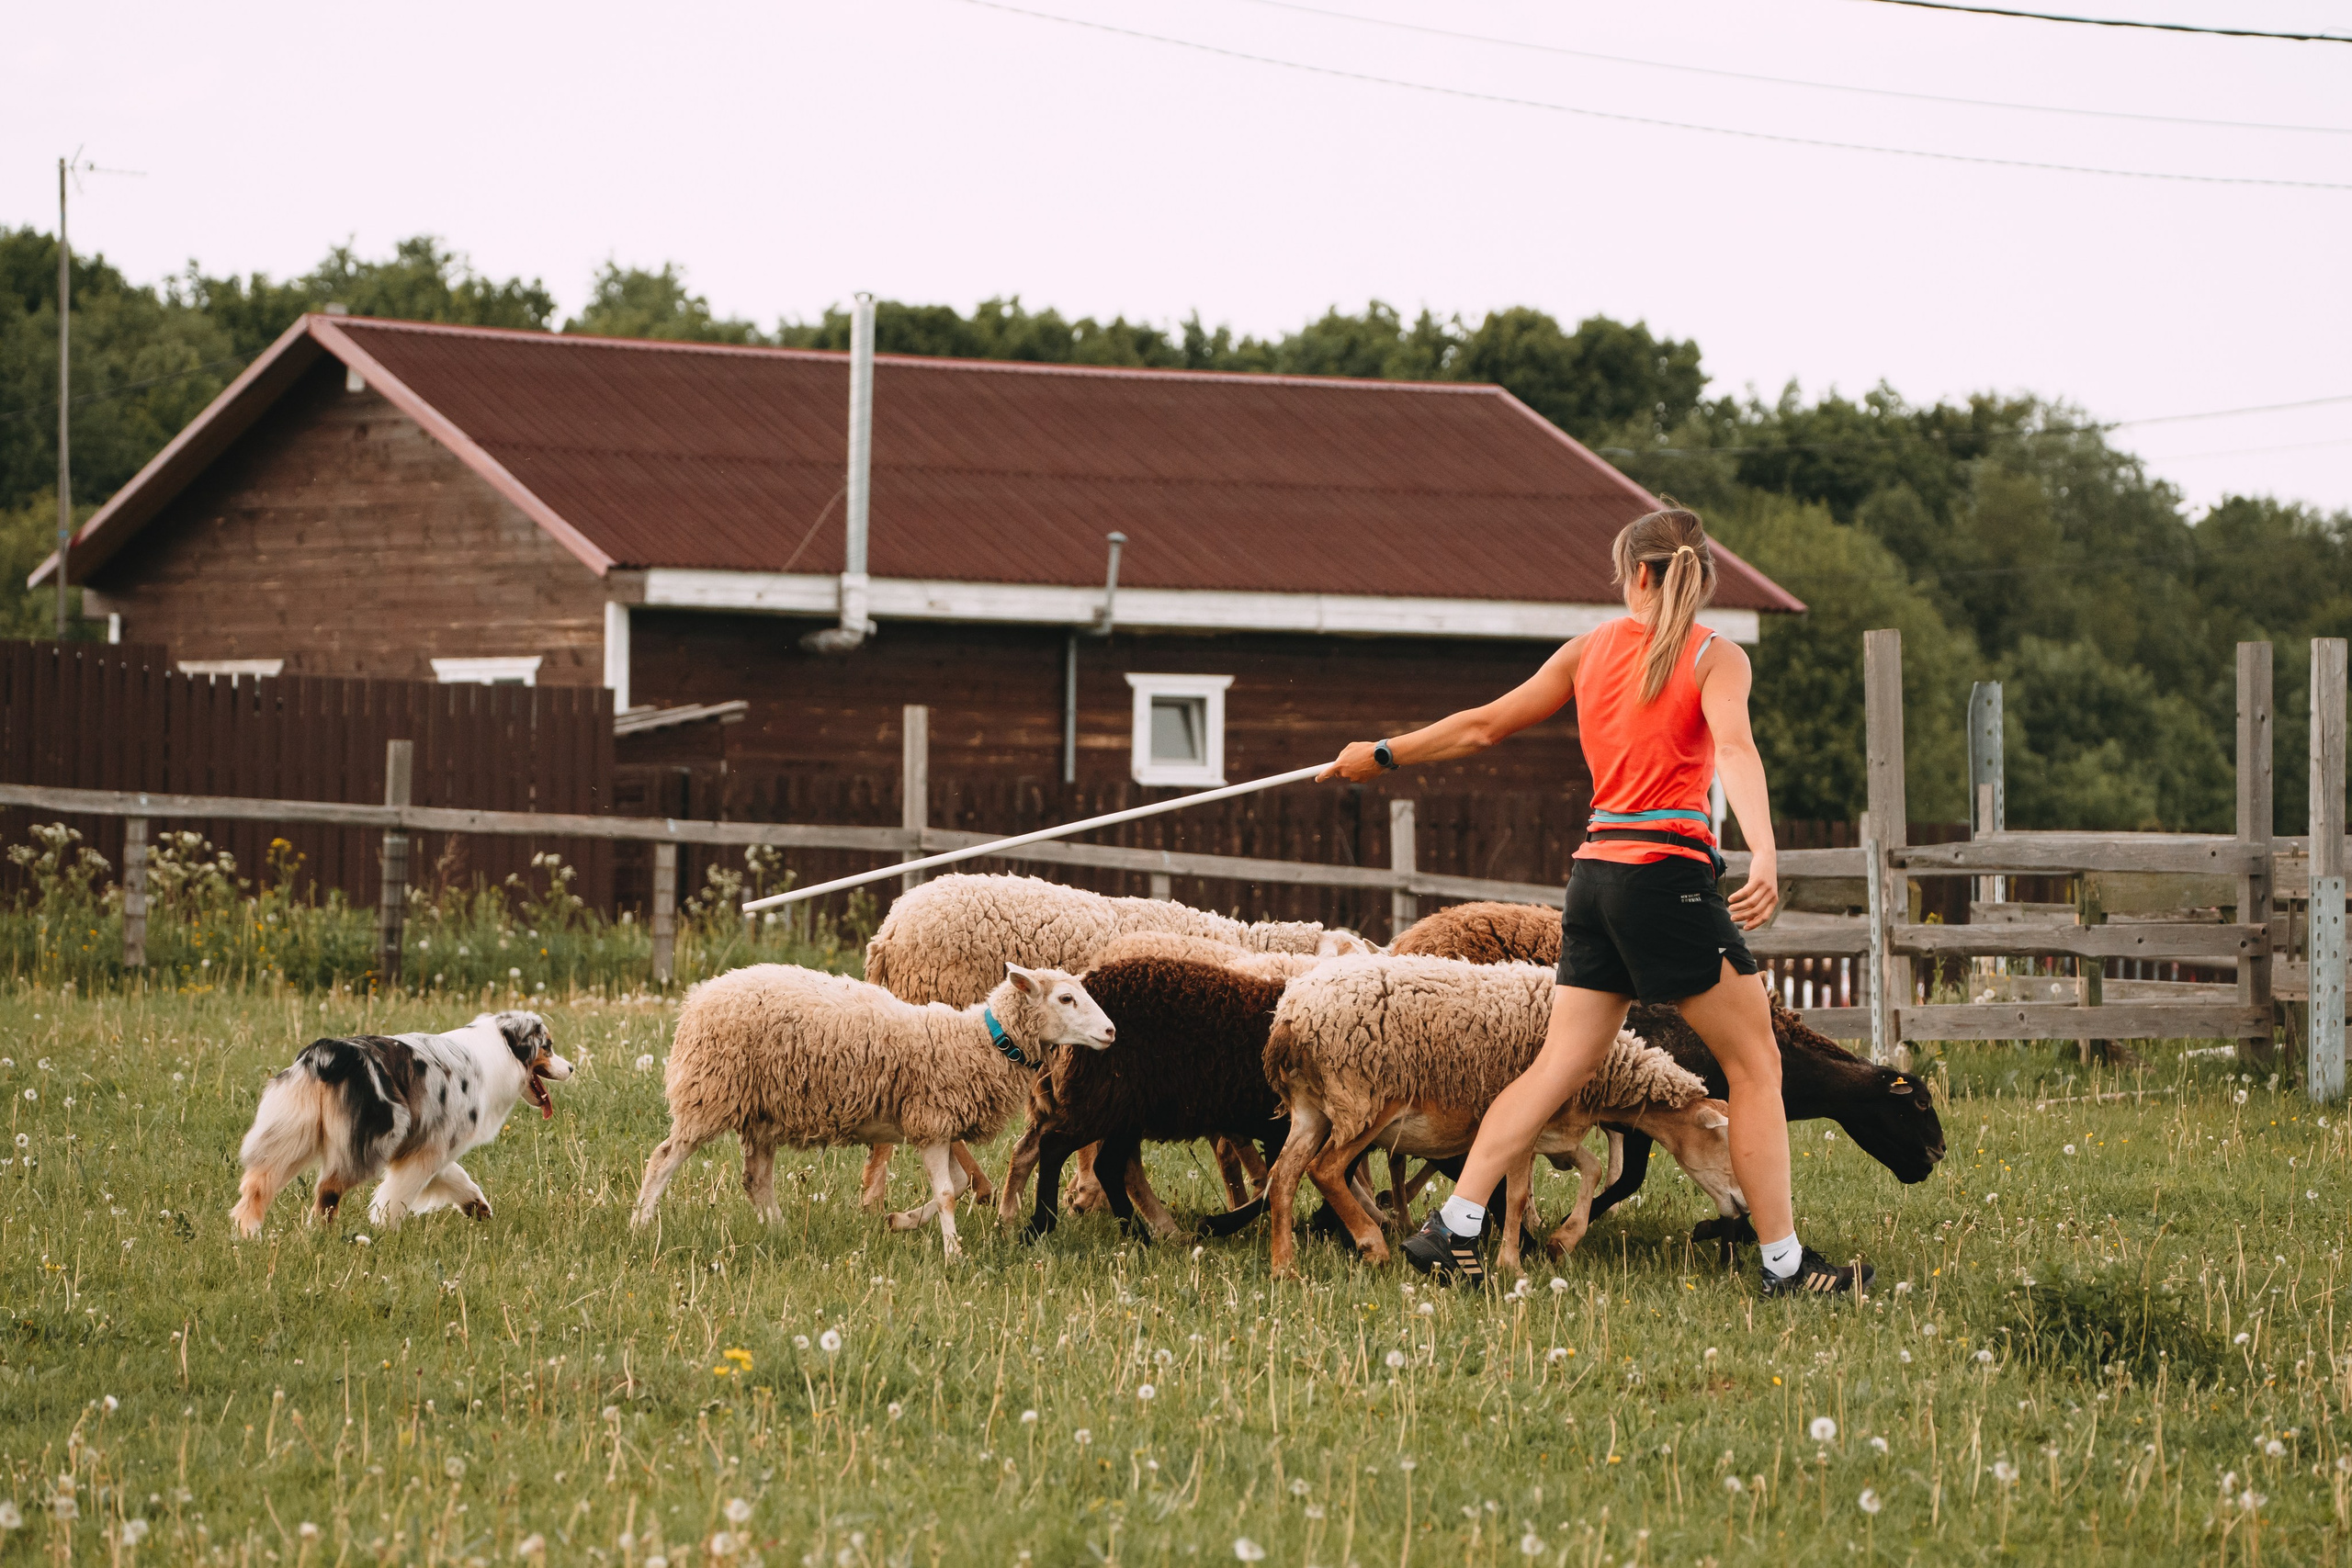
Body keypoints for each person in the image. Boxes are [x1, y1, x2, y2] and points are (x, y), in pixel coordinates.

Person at [1319, 503, 1869, 1297]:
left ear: (1637, 573)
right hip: (1668, 881)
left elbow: (1483, 726)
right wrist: (1766, 849)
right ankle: (1785, 1267)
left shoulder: (1589, 650)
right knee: (1756, 1065)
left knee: (1559, 1064)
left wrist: (1380, 753)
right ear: (1698, 577)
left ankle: (1455, 1225)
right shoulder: (1717, 656)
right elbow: (1736, 748)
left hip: (1595, 881)